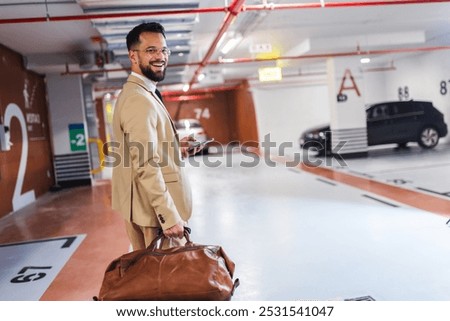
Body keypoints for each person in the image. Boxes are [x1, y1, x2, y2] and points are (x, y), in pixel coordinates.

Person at [111, 22, 200, 250]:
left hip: (148, 211)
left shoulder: (142, 93)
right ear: (133, 56)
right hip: (153, 216)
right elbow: (145, 163)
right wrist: (168, 215)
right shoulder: (138, 99)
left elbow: (141, 150)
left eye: (164, 50)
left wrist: (174, 148)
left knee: (158, 279)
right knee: (167, 280)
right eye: (151, 50)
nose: (160, 56)